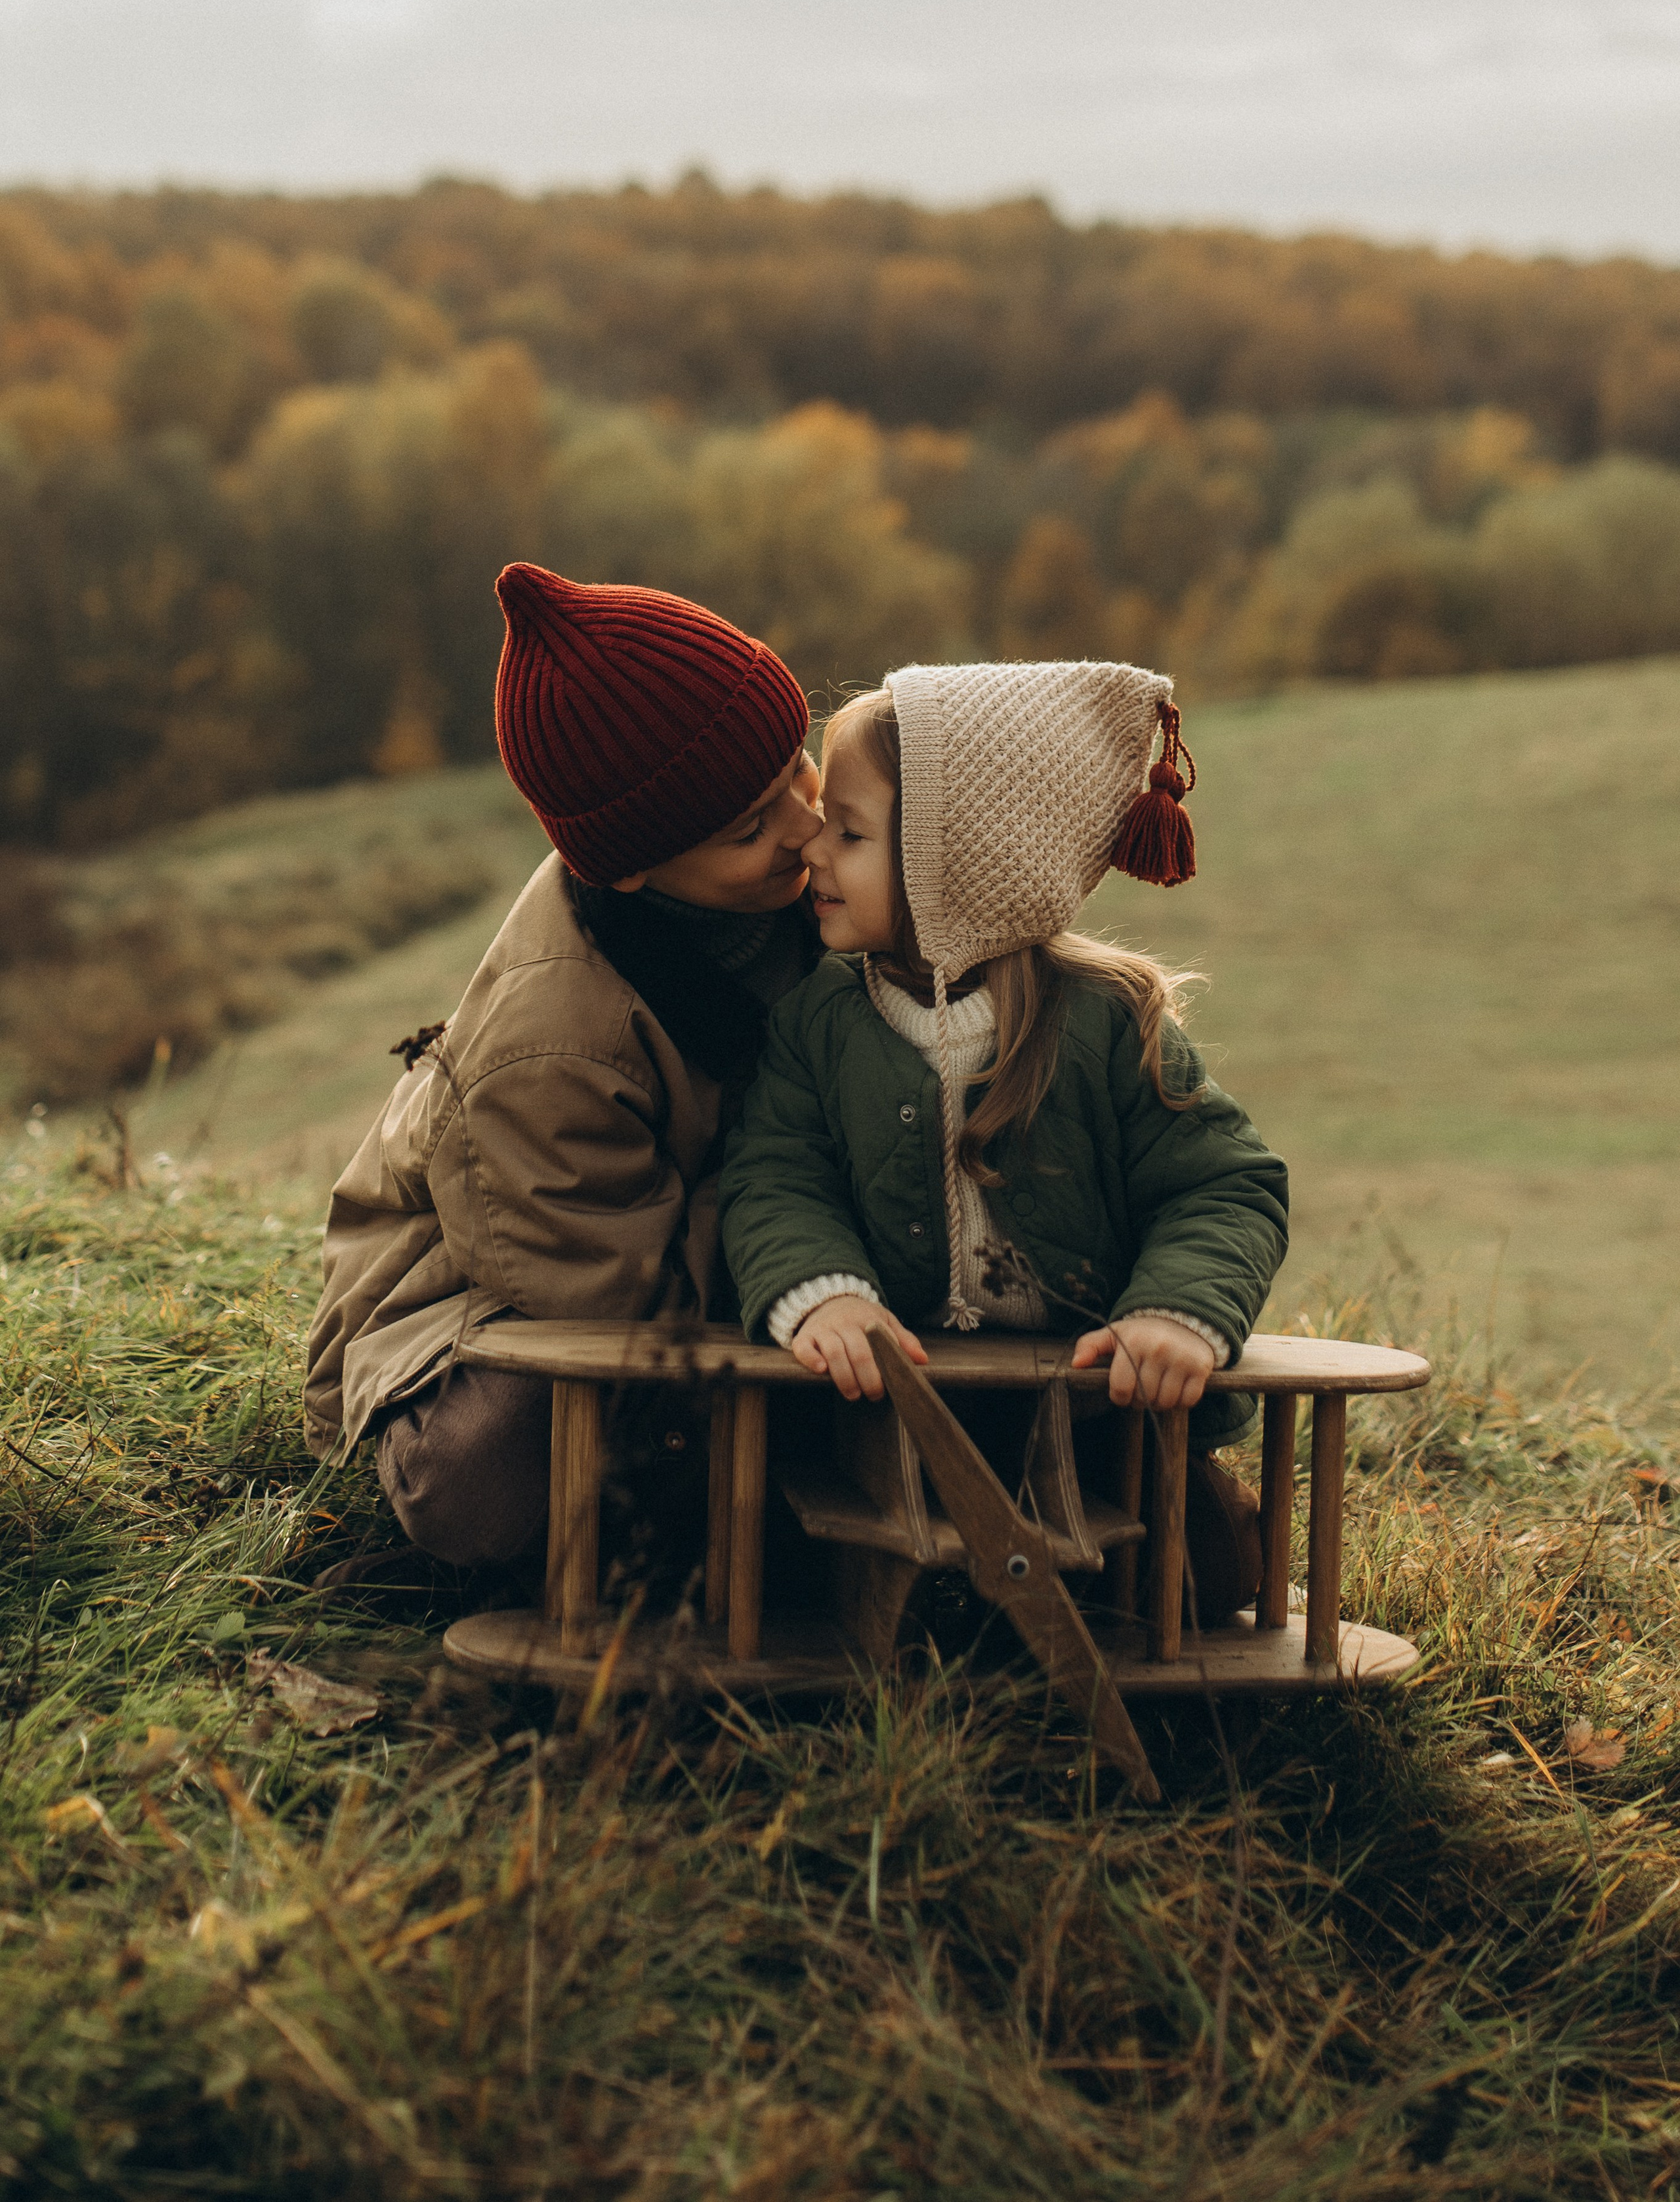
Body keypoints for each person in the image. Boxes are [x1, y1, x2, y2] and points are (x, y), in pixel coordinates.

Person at [717, 660, 1290, 1622]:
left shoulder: (1110, 1022)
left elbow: (1225, 1187)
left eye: (850, 832)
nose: (813, 845)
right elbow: (776, 1174)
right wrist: (820, 1293)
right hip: (891, 1404)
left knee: (1199, 1582)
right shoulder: (819, 1020)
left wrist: (1177, 1312)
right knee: (800, 1564)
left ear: (963, 866)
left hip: (1097, 1404)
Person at [304, 562, 822, 1584]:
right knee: (486, 1473)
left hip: (733, 1246)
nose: (806, 825)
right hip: (495, 1310)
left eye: (800, 768)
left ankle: (760, 1487)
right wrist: (817, 1187)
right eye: (750, 827)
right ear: (629, 867)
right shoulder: (548, 1050)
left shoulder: (792, 876)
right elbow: (625, 1307)